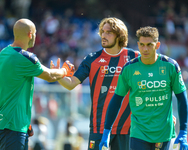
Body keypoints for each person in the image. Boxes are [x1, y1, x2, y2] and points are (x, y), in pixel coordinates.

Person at [50, 17, 140, 150]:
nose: (103, 35)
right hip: (99, 128)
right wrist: (58, 74)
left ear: (119, 35)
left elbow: (150, 85)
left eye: (108, 32)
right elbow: (71, 83)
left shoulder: (135, 57)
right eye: (103, 32)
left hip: (127, 129)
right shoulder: (92, 59)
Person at [99, 26, 188, 150]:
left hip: (163, 132)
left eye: (149, 45)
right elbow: (116, 99)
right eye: (142, 45)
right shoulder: (129, 68)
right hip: (138, 132)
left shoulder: (170, 66)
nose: (145, 49)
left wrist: (183, 131)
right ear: (138, 44)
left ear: (157, 45)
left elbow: (182, 98)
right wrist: (107, 131)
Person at [0, 18, 74, 150]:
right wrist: (64, 71)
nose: (35, 36)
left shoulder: (4, 53)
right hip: (13, 127)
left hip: (7, 123)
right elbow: (50, 76)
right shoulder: (25, 58)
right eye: (35, 33)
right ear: (30, 34)